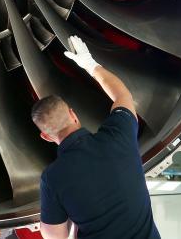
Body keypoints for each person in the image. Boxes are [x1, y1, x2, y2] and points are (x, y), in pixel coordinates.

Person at [31, 36, 160, 239]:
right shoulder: (119, 135)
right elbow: (122, 96)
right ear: (73, 114)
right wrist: (89, 64)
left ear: (45, 136)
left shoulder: (52, 178)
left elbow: (54, 236)